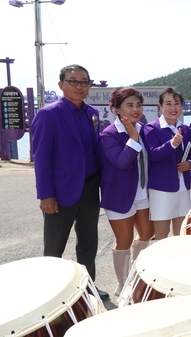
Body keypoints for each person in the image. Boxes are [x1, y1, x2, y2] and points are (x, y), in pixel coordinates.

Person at [31, 64, 108, 300]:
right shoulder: (48, 115)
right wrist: (45, 195)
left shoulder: (92, 113)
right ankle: (50, 294)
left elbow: (94, 151)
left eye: (84, 82)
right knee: (54, 247)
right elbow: (41, 158)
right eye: (73, 81)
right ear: (61, 84)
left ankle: (88, 287)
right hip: (60, 191)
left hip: (89, 188)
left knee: (88, 243)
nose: (79, 86)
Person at [99, 87, 154, 295]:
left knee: (147, 234)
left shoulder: (145, 129)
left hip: (143, 194)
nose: (136, 109)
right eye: (129, 105)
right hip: (120, 195)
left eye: (138, 105)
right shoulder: (108, 135)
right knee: (124, 241)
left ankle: (138, 275)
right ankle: (123, 284)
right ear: (116, 109)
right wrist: (132, 138)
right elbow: (121, 162)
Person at [141, 87, 191, 240]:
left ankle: (179, 264)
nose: (173, 108)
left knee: (182, 234)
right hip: (161, 188)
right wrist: (172, 144)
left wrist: (190, 164)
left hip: (183, 188)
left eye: (176, 103)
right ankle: (157, 264)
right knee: (162, 234)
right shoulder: (151, 128)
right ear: (160, 107)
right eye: (168, 104)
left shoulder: (185, 129)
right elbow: (154, 155)